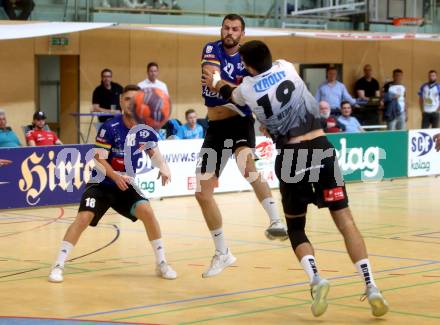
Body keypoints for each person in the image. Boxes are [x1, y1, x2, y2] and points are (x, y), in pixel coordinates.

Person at [203, 40, 389, 318]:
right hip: (322, 148)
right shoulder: (286, 67)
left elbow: (230, 93)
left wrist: (216, 79)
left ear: (248, 65)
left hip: (292, 155)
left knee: (297, 228)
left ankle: (317, 279)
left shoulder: (249, 88)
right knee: (346, 220)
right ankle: (371, 285)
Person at [48, 85, 177, 283]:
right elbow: (98, 159)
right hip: (102, 182)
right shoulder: (110, 127)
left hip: (125, 184)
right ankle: (58, 265)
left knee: (148, 212)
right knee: (83, 217)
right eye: (126, 99)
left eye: (134, 100)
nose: (130, 103)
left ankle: (162, 263)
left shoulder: (145, 129)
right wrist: (115, 176)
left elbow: (154, 153)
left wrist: (164, 167)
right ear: (121, 102)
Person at [197, 14, 288, 278]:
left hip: (239, 123)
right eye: (226, 27)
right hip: (214, 128)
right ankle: (222, 252)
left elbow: (241, 92)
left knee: (247, 165)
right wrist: (232, 87)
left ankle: (275, 220)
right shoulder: (211, 48)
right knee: (203, 194)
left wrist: (227, 86)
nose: (229, 32)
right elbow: (211, 75)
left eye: (235, 29)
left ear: (242, 33)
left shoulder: (249, 60)